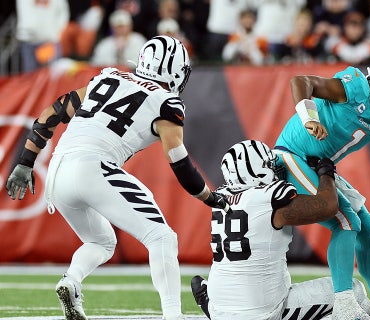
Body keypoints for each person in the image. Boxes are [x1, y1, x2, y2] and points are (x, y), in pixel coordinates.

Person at [5, 36, 227, 320]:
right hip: (94, 166)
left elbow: (55, 111)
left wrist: (25, 162)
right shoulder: (166, 102)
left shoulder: (108, 77)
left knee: (101, 242)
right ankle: (173, 315)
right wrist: (209, 197)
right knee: (162, 237)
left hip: (58, 170)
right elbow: (180, 163)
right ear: (176, 71)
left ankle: (71, 281)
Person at [274, 55, 370, 320]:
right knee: (346, 221)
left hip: (320, 166)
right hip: (293, 155)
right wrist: (309, 118)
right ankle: (344, 304)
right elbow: (302, 81)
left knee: (369, 229)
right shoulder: (355, 87)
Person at [190, 139, 370, 320]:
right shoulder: (269, 199)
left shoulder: (219, 198)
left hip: (220, 306)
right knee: (354, 289)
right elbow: (327, 206)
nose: (274, 168)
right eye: (269, 164)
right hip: (264, 311)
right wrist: (326, 173)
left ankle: (210, 304)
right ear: (256, 170)